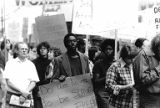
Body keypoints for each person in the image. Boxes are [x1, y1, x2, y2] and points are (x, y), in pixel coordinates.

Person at [3, 42, 39, 108]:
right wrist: (22, 91)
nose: (24, 51)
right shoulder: (10, 63)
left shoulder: (31, 65)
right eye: (22, 49)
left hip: (26, 97)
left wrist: (25, 94)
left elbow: (33, 82)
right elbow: (8, 82)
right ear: (16, 51)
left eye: (26, 49)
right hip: (12, 96)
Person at [133, 34, 160, 108]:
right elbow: (143, 80)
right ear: (157, 47)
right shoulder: (143, 55)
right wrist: (158, 69)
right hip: (150, 99)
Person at [92, 39, 115, 108]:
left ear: (114, 50)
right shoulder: (98, 63)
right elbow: (96, 81)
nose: (108, 51)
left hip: (114, 93)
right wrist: (108, 76)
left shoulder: (116, 64)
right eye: (106, 49)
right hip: (102, 93)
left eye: (110, 49)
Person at [32, 41, 52, 108]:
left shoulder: (51, 62)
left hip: (49, 91)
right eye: (41, 49)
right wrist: (37, 90)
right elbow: (33, 78)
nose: (42, 50)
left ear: (47, 50)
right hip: (37, 90)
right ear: (38, 50)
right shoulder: (34, 62)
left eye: (44, 48)